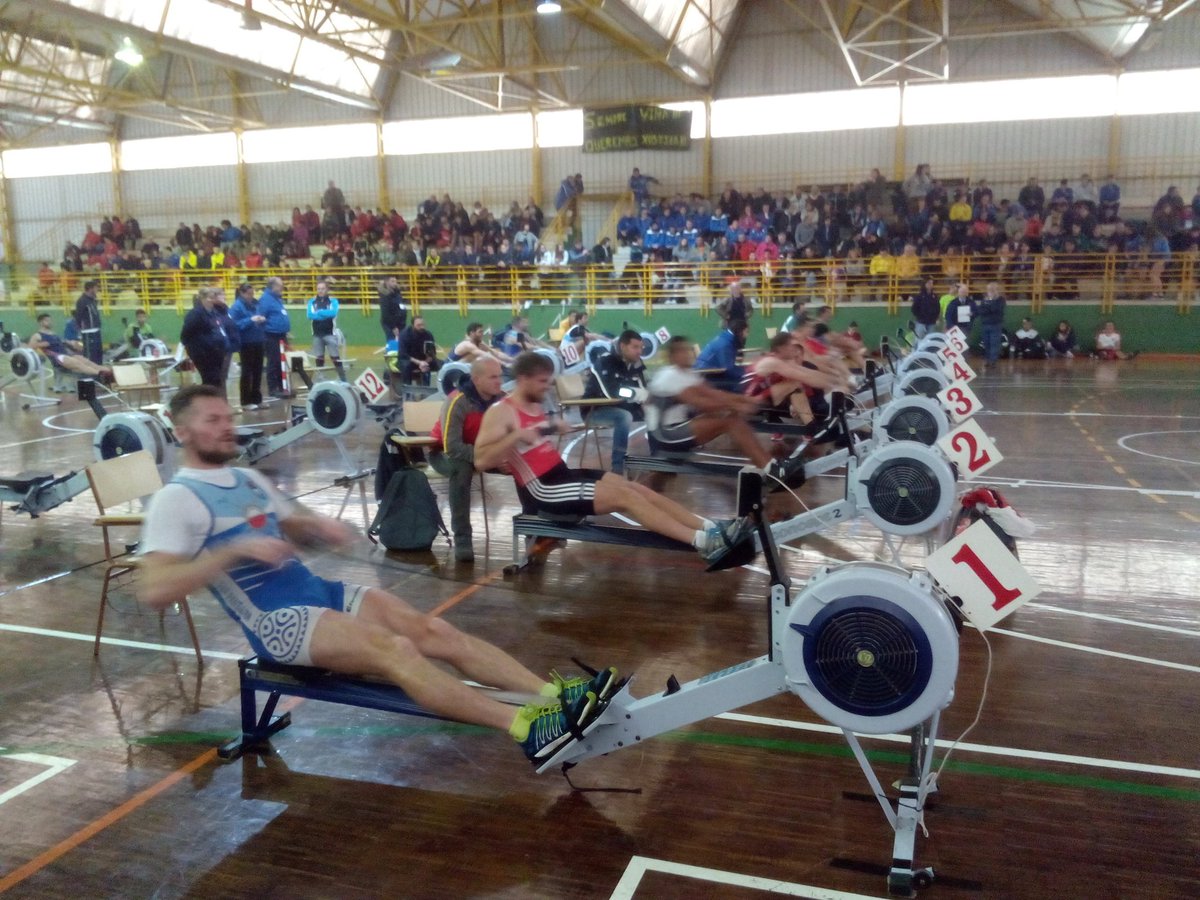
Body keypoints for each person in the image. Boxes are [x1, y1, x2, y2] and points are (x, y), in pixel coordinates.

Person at [137, 384, 616, 762]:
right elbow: (153, 590)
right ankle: (530, 730)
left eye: (229, 417)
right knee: (397, 650)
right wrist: (233, 550)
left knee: (432, 630)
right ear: (181, 432)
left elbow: (291, 523)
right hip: (276, 623)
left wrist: (316, 526)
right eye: (212, 420)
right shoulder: (175, 499)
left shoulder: (245, 478)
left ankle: (556, 698)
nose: (227, 427)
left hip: (316, 593)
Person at [474, 352, 755, 567]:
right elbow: (481, 460)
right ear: (523, 380)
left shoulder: (534, 403)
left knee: (635, 488)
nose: (546, 388)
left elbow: (531, 436)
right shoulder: (501, 412)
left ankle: (710, 527)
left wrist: (549, 427)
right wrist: (515, 436)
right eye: (542, 382)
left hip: (561, 473)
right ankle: (705, 543)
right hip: (543, 489)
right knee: (627, 499)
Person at [648, 336, 806, 484]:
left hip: (675, 429)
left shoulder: (687, 374)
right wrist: (737, 405)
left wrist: (746, 400)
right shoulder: (669, 376)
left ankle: (766, 465)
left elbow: (715, 394)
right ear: (673, 356)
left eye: (689, 349)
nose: (689, 354)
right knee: (732, 422)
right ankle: (770, 470)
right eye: (684, 351)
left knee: (658, 482)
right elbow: (700, 403)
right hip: (664, 434)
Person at [428, 358, 504, 563]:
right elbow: (451, 447)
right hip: (444, 454)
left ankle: (536, 523)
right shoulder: (457, 401)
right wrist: (486, 457)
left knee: (522, 462)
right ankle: (463, 538)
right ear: (476, 379)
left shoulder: (502, 400)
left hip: (481, 453)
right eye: (493, 377)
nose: (500, 382)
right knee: (462, 469)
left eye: (500, 376)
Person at [742, 331, 842, 429]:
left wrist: (836, 381)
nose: (794, 349)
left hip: (764, 399)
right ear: (781, 348)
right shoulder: (772, 362)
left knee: (795, 386)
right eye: (791, 345)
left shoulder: (783, 361)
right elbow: (806, 378)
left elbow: (809, 372)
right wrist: (835, 386)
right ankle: (812, 427)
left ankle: (812, 425)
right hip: (748, 402)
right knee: (793, 384)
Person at [581, 329, 648, 476]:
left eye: (641, 348)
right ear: (623, 346)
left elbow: (644, 388)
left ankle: (660, 457)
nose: (639, 352)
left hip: (621, 405)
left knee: (656, 409)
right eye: (635, 347)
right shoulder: (605, 361)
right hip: (594, 410)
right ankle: (617, 467)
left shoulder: (635, 363)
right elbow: (613, 392)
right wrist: (640, 395)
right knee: (623, 417)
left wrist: (648, 400)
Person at [28, 313, 112, 379]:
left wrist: (71, 342)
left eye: (50, 320)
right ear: (41, 322)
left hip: (66, 354)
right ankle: (102, 374)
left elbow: (62, 341)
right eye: (47, 321)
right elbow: (29, 348)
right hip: (58, 358)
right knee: (79, 364)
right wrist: (41, 344)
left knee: (86, 361)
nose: (50, 322)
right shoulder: (37, 335)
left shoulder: (53, 333)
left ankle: (109, 371)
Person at [180, 287, 232, 392]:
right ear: (203, 299)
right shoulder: (195, 314)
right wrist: (198, 348)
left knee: (217, 380)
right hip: (203, 353)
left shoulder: (214, 312)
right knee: (210, 380)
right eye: (210, 298)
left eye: (214, 297)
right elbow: (185, 334)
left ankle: (215, 403)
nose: (213, 300)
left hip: (217, 351)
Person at [229, 281, 267, 409]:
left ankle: (257, 399)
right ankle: (245, 401)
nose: (251, 296)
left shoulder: (255, 304)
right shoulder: (236, 307)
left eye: (253, 293)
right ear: (242, 293)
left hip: (258, 340)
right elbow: (234, 325)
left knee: (258, 371)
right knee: (247, 372)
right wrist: (250, 320)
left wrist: (261, 320)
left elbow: (259, 317)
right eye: (249, 294)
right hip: (246, 343)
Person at [257, 276, 292, 399]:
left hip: (281, 335)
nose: (282, 287)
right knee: (274, 362)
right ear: (273, 286)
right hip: (271, 335)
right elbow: (260, 318)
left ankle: (282, 386)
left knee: (282, 362)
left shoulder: (277, 298)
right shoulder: (265, 300)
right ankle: (273, 388)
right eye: (280, 285)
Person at [307, 279, 346, 381]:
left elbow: (333, 313)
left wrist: (319, 313)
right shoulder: (312, 302)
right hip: (317, 335)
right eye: (319, 289)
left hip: (330, 334)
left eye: (323, 289)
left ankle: (342, 379)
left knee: (335, 357)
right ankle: (321, 378)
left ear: (327, 289)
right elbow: (310, 315)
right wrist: (324, 314)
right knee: (319, 357)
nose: (320, 291)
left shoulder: (333, 301)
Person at [695, 318, 748, 390]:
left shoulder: (725, 338)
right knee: (744, 384)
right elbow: (729, 368)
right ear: (739, 331)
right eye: (746, 332)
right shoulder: (725, 344)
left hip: (711, 372)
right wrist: (748, 373)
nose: (746, 335)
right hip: (707, 376)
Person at [397, 315, 441, 385]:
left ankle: (443, 389)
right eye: (419, 325)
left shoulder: (428, 335)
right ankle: (407, 391)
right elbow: (403, 354)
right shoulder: (404, 335)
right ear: (412, 325)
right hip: (409, 360)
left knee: (442, 364)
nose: (422, 327)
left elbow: (432, 353)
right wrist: (419, 363)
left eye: (423, 325)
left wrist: (425, 362)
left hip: (423, 360)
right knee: (406, 366)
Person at [977, 282, 1007, 367]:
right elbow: (981, 311)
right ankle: (987, 360)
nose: (990, 291)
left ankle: (993, 361)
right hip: (985, 324)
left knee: (994, 343)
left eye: (992, 289)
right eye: (989, 289)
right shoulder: (984, 299)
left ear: (996, 290)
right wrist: (988, 306)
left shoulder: (1001, 300)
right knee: (986, 343)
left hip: (996, 324)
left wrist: (990, 302)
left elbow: (996, 309)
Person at [74, 279, 103, 364]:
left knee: (98, 353)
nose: (97, 290)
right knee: (90, 355)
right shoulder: (82, 301)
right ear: (90, 289)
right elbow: (78, 316)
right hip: (88, 332)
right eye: (96, 288)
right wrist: (80, 331)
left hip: (96, 330)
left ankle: (99, 372)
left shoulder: (93, 300)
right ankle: (89, 374)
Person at [378, 275, 407, 345]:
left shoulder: (397, 293)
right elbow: (385, 314)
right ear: (387, 282)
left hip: (400, 322)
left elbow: (402, 305)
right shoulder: (384, 296)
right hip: (389, 324)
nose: (395, 283)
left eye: (395, 281)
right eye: (392, 281)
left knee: (403, 342)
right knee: (392, 342)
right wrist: (393, 327)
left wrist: (403, 320)